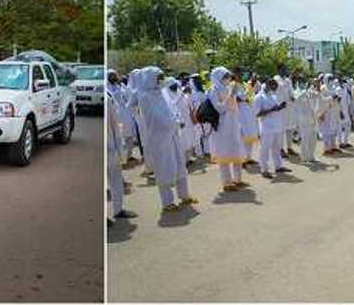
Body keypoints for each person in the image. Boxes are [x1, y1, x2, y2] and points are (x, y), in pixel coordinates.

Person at [132, 68, 196, 213]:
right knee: (164, 168)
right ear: (150, 79)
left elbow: (172, 109)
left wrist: (177, 120)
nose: (162, 80)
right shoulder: (145, 97)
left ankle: (184, 195)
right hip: (159, 138)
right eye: (159, 77)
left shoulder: (163, 92)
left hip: (173, 135)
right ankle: (168, 202)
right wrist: (173, 123)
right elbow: (155, 117)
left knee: (179, 165)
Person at [208, 67, 248, 191]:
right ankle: (227, 183)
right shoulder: (213, 90)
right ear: (218, 77)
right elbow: (219, 109)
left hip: (234, 125)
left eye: (228, 76)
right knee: (224, 154)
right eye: (225, 76)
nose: (228, 78)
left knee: (237, 152)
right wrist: (231, 95)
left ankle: (237, 179)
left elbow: (235, 106)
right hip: (222, 127)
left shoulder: (229, 88)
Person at [106, 82, 137, 225]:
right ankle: (113, 212)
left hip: (110, 148)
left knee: (115, 180)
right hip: (109, 148)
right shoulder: (107, 96)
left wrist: (120, 150)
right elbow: (115, 126)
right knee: (112, 181)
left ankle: (117, 210)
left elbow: (115, 126)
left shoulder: (108, 97)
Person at [255, 79, 289, 178]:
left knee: (277, 148)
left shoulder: (273, 96)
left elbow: (276, 109)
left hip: (276, 125)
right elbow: (257, 114)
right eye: (273, 86)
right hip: (266, 127)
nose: (275, 89)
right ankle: (264, 169)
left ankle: (278, 166)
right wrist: (272, 109)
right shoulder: (259, 97)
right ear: (267, 85)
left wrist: (280, 107)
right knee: (265, 149)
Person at [295, 81, 319, 163]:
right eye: (312, 85)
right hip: (304, 120)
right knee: (305, 139)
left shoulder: (313, 94)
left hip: (313, 119)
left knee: (313, 138)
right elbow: (296, 102)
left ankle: (311, 155)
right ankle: (304, 157)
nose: (313, 87)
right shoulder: (300, 94)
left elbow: (318, 96)